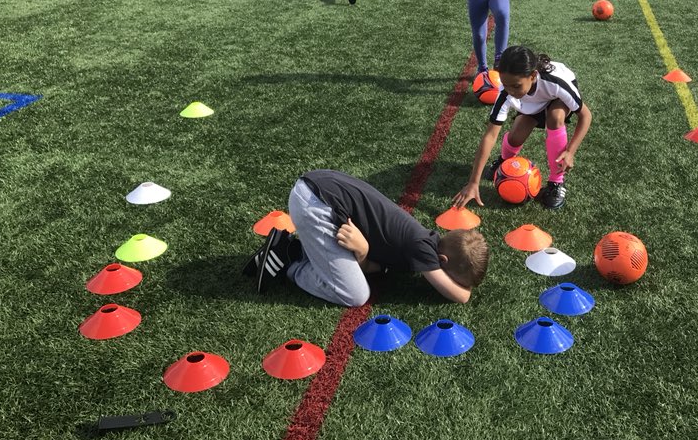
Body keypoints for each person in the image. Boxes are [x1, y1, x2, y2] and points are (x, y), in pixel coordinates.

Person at [244, 170, 489, 306]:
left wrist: (362, 252)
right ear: (441, 261)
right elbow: (462, 297)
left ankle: (299, 249)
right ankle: (290, 260)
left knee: (360, 278)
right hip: (317, 204)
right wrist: (463, 288)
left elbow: (371, 266)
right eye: (456, 279)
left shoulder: (420, 244)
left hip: (319, 191)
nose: (457, 285)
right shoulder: (423, 250)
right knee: (355, 295)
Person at [453, 45, 592, 211]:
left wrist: (570, 151)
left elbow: (586, 116)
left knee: (555, 117)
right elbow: (490, 136)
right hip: (532, 102)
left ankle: (556, 182)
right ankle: (504, 161)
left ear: (532, 76)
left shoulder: (555, 83)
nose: (510, 90)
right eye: (506, 84)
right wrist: (473, 182)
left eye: (516, 86)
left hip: (555, 99)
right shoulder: (507, 92)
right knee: (516, 135)